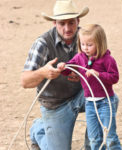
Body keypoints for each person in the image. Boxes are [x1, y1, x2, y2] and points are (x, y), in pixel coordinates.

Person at [21, 0, 91, 150]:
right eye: (62, 23)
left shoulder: (86, 37)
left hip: (80, 95)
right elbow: (25, 81)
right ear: (54, 23)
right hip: (55, 105)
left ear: (78, 21)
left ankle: (91, 146)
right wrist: (43, 72)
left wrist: (83, 74)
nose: (67, 28)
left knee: (109, 100)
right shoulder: (43, 44)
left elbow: (100, 68)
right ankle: (38, 129)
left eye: (71, 23)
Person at [57, 24, 122, 150]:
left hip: (106, 102)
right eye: (83, 44)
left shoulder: (108, 59)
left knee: (110, 137)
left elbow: (114, 77)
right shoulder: (79, 57)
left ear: (100, 43)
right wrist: (63, 67)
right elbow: (68, 69)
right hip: (90, 103)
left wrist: (99, 74)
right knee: (94, 138)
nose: (85, 48)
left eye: (89, 45)